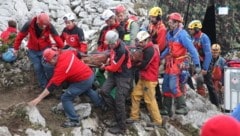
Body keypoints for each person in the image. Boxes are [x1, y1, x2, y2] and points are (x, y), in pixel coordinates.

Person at [28, 48, 103, 128]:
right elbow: (76, 52)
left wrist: (38, 98)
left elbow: (51, 86)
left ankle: (74, 120)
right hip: (89, 74)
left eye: (48, 62)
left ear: (52, 60)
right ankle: (101, 104)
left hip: (83, 80)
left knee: (66, 98)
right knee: (86, 90)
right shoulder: (66, 53)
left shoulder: (61, 68)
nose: (49, 64)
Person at [160, 13, 201, 116]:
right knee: (165, 86)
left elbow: (192, 50)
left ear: (177, 23)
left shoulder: (182, 35)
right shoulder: (170, 34)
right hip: (170, 63)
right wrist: (159, 57)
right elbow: (169, 49)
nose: (169, 23)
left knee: (173, 86)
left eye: (171, 22)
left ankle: (182, 107)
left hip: (178, 63)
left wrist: (197, 65)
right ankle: (166, 108)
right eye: (169, 22)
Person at [13, 12, 64, 89]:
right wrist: (15, 48)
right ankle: (44, 86)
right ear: (38, 22)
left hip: (46, 48)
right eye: (42, 25)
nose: (44, 27)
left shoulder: (49, 25)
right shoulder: (28, 24)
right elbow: (20, 36)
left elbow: (56, 37)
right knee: (38, 68)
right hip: (33, 50)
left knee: (48, 66)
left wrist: (61, 47)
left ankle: (54, 83)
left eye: (45, 25)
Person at [99, 30, 133, 134]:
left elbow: (114, 67)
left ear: (114, 42)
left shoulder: (121, 50)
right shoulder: (114, 46)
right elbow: (113, 60)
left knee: (120, 100)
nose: (109, 46)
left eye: (110, 45)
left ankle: (122, 126)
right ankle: (117, 116)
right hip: (116, 74)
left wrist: (105, 67)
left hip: (124, 76)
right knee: (104, 91)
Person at [126, 31, 162, 127]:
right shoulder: (147, 49)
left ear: (147, 40)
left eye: (142, 42)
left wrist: (134, 64)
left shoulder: (150, 50)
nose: (140, 44)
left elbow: (144, 65)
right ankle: (134, 116)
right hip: (144, 77)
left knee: (150, 100)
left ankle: (157, 120)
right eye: (139, 42)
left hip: (149, 79)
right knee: (135, 95)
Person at [188, 20, 219, 107]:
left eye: (191, 29)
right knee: (196, 80)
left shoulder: (204, 38)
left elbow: (208, 54)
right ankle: (199, 99)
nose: (190, 31)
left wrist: (205, 68)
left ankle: (216, 104)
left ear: (196, 29)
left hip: (206, 62)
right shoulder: (193, 38)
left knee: (209, 83)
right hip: (197, 62)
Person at [148, 6, 167, 110]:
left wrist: (153, 57)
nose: (151, 19)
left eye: (153, 17)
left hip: (158, 55)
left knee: (154, 77)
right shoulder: (152, 25)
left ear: (158, 17)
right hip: (152, 52)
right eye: (151, 17)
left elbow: (161, 45)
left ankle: (159, 103)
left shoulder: (162, 29)